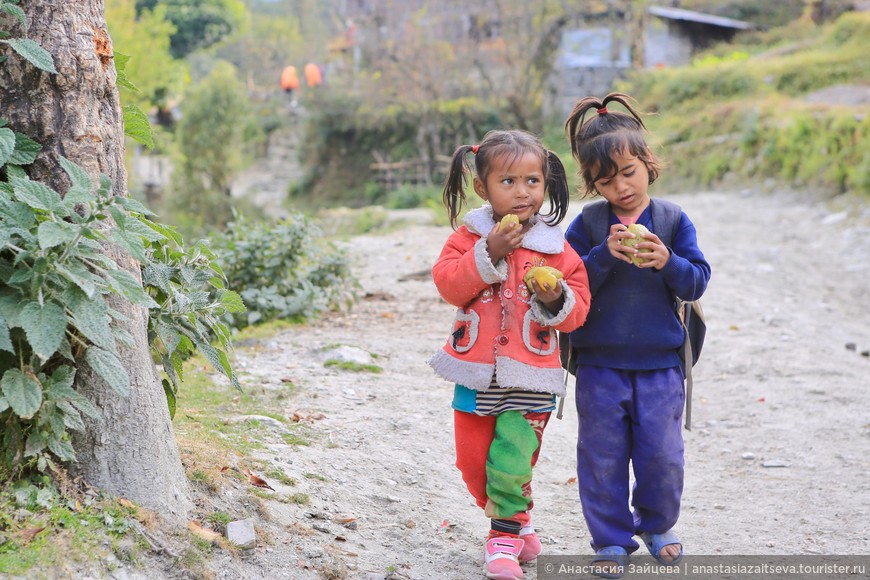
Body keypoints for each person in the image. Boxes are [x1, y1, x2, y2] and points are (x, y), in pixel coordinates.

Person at [428, 129, 592, 579]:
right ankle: (520, 523)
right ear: (483, 188)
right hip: (475, 372)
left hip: (531, 375)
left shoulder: (556, 247)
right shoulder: (468, 237)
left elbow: (577, 310)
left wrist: (557, 296)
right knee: (472, 464)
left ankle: (501, 542)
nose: (522, 192)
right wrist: (487, 254)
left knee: (511, 460)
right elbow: (448, 284)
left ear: (545, 184)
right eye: (508, 182)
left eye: (532, 181)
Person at [562, 92, 711, 579]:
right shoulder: (588, 225)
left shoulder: (670, 220)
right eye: (606, 180)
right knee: (601, 456)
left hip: (661, 363)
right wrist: (604, 256)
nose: (621, 187)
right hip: (599, 364)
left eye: (628, 172)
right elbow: (567, 284)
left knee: (662, 456)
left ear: (648, 163)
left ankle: (658, 525)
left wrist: (667, 260)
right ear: (593, 184)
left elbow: (697, 280)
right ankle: (610, 539)